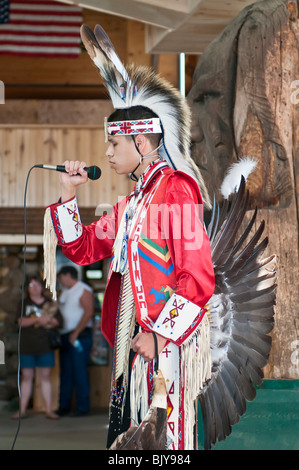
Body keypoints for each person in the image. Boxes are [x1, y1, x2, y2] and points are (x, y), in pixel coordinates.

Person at [43, 25, 215, 449]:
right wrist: (68, 193)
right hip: (135, 352)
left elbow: (198, 277)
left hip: (166, 351)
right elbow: (82, 249)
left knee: (164, 446)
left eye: (114, 142)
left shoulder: (176, 188)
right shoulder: (131, 205)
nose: (106, 153)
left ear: (142, 142)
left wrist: (160, 336)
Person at [13, 275, 63, 419]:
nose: (34, 288)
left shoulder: (50, 303)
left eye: (37, 285)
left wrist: (48, 320)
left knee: (45, 376)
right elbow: (20, 322)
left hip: (45, 345)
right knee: (27, 377)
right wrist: (37, 319)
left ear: (42, 287)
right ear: (27, 288)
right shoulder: (24, 303)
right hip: (27, 344)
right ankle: (22, 410)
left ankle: (49, 410)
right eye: (31, 285)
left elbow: (58, 322)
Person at [56, 265, 94, 417]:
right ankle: (64, 406)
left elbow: (89, 311)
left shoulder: (83, 289)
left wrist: (76, 332)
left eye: (61, 278)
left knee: (79, 371)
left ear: (67, 275)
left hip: (79, 336)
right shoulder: (65, 292)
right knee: (66, 372)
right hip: (65, 335)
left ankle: (82, 407)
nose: (60, 281)